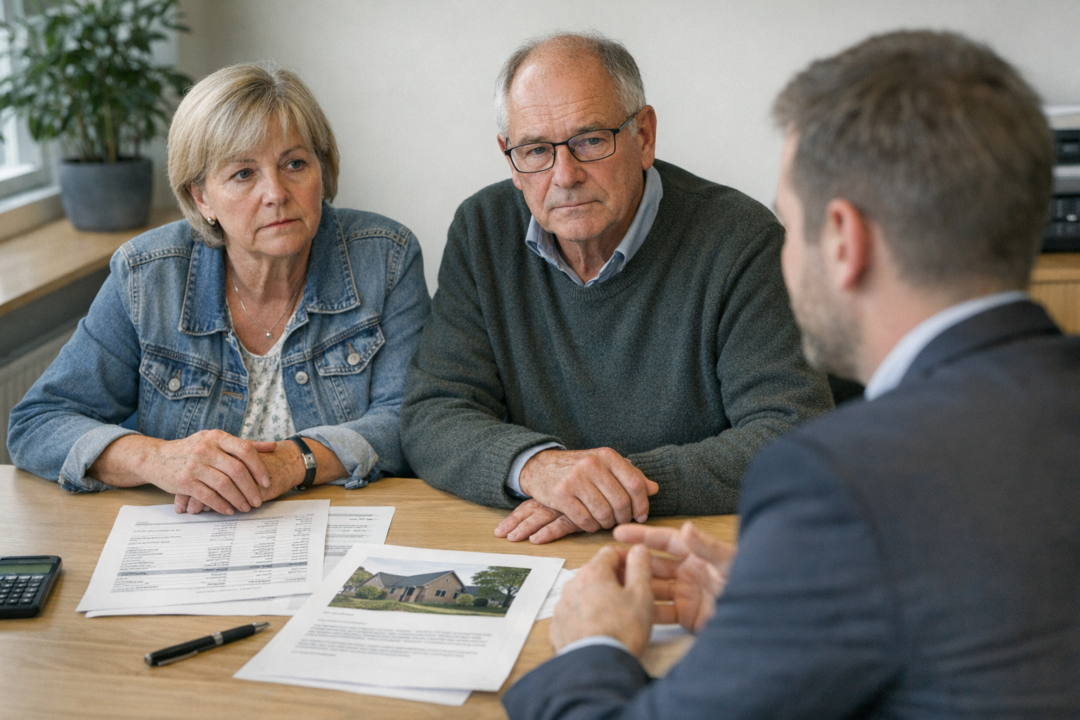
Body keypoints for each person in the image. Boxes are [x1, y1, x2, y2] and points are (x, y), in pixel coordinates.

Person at [504, 30, 1080, 719]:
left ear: (844, 240)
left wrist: (592, 646)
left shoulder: (837, 483)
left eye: (791, 222)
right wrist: (785, 599)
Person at [401, 32, 832, 544]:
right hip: (529, 543)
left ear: (644, 135)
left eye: (590, 140)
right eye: (536, 150)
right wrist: (537, 468)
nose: (565, 175)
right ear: (508, 157)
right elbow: (433, 411)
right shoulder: (482, 229)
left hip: (690, 544)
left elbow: (792, 432)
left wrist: (613, 490)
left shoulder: (741, 240)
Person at [7, 64, 430, 515]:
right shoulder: (147, 274)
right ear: (201, 198)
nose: (276, 193)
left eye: (294, 164)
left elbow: (409, 420)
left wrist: (295, 461)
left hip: (343, 530)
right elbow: (37, 423)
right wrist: (156, 459)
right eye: (244, 173)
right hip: (190, 541)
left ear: (321, 172)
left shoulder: (386, 257)